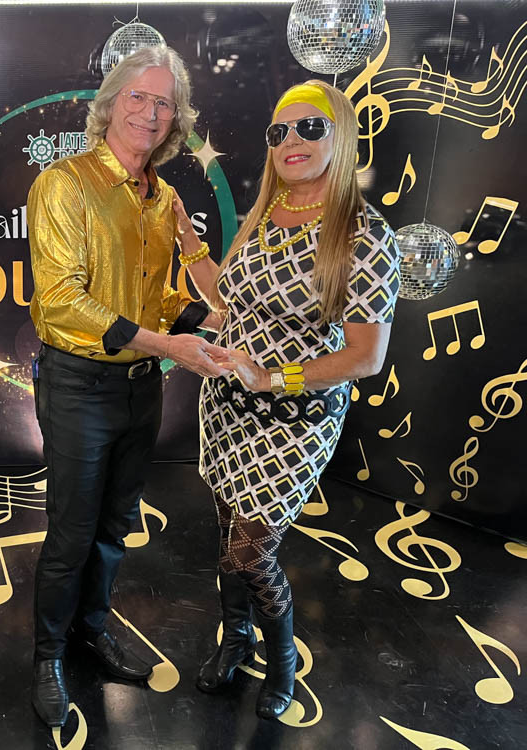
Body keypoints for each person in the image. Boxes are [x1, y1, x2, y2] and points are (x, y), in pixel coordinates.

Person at [174, 80, 401, 719]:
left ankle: (280, 663)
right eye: (279, 132)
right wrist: (188, 242)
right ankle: (235, 638)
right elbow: (229, 302)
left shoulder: (363, 235)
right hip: (227, 405)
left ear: (341, 136)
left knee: (250, 551)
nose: (291, 141)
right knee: (227, 534)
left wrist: (273, 378)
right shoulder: (264, 214)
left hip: (296, 418)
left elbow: (366, 357)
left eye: (310, 127)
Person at [26, 45, 230, 728]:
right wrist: (169, 346)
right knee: (72, 533)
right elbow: (62, 302)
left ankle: (91, 629)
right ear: (111, 104)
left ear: (176, 119)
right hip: (79, 386)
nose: (149, 111)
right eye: (137, 96)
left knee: (114, 528)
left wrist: (214, 323)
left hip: (142, 389)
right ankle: (48, 656)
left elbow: (158, 300)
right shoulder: (64, 183)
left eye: (163, 102)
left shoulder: (164, 198)